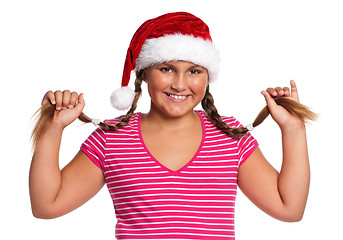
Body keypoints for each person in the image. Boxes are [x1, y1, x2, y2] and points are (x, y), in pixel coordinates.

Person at [29, 12, 316, 240]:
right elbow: (47, 205)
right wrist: (53, 127)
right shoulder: (111, 138)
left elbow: (288, 208)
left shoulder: (230, 137)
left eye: (194, 71)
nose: (179, 84)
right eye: (166, 69)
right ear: (144, 74)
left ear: (207, 78)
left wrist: (293, 130)